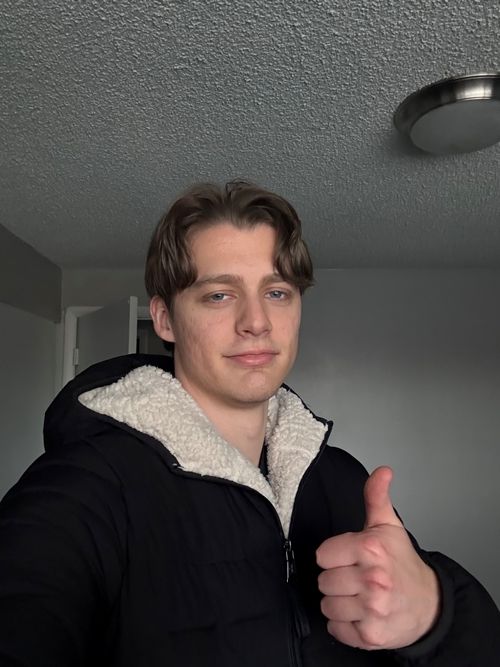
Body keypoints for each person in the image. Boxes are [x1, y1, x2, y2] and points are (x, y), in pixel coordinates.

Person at [0, 181, 499, 667]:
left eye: (277, 292)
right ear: (165, 319)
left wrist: (433, 613)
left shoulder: (344, 479)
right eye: (219, 295)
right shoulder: (84, 487)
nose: (256, 321)